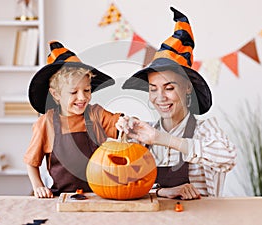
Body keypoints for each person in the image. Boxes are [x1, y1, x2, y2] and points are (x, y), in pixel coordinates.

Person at [117, 7, 237, 200]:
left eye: (169, 88)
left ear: (187, 88)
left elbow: (228, 158)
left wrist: (161, 139)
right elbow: (123, 183)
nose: (160, 97)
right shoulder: (144, 135)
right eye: (153, 89)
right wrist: (122, 136)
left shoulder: (205, 130)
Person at [24, 41, 122, 198]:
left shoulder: (95, 114)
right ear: (56, 94)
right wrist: (38, 186)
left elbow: (121, 125)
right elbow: (31, 162)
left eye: (87, 90)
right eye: (73, 92)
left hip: (99, 195)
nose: (82, 97)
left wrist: (127, 123)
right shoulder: (46, 123)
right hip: (62, 196)